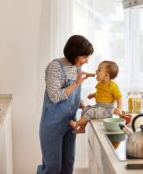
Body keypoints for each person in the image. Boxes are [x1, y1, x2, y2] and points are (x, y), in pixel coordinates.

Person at [37, 35, 94, 174]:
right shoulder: (54, 67)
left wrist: (83, 106)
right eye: (84, 56)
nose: (87, 61)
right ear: (74, 53)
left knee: (68, 166)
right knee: (52, 168)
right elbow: (55, 96)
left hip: (70, 123)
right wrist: (76, 84)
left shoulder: (76, 67)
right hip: (52, 125)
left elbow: (73, 96)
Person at [70, 60, 123, 134]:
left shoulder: (113, 86)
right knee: (85, 110)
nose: (96, 71)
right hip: (98, 106)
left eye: (99, 70)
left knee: (91, 112)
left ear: (106, 75)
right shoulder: (100, 84)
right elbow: (101, 93)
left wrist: (119, 108)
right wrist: (93, 95)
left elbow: (119, 98)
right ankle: (82, 128)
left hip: (107, 110)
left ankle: (77, 123)